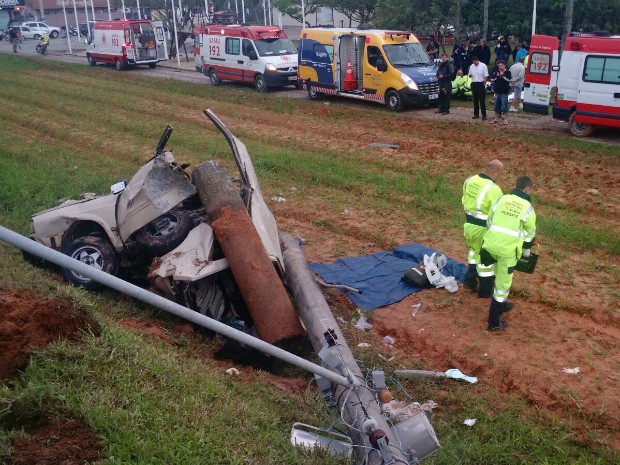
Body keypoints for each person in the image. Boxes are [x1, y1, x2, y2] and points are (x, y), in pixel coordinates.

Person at [480, 176, 536, 331]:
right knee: (502, 286)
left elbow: (489, 221)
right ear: (528, 189)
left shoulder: (502, 199)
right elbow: (530, 232)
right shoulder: (528, 207)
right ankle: (494, 323)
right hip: (508, 252)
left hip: (490, 245)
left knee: (497, 274)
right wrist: (526, 249)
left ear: (516, 186)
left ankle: (501, 305)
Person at [462, 160, 505, 297]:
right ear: (495, 172)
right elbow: (498, 213)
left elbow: (464, 200)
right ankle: (485, 291)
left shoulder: (469, 180)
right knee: (486, 260)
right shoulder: (494, 189)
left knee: (474, 253)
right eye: (500, 174)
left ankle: (469, 282)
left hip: (469, 225)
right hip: (483, 229)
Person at [490, 60, 512, 125]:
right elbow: (492, 79)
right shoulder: (496, 72)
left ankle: (505, 119)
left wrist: (502, 75)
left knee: (504, 106)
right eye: (499, 66)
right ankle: (496, 118)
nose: (500, 67)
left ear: (504, 65)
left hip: (504, 92)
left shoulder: (508, 72)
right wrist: (497, 76)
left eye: (501, 66)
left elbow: (508, 80)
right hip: (497, 92)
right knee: (496, 105)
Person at [468, 55, 489, 120]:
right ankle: (476, 114)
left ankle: (484, 115)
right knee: (475, 100)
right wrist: (470, 75)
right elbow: (470, 75)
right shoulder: (471, 66)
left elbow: (486, 76)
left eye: (475, 62)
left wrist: (484, 84)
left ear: (477, 60)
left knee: (482, 100)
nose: (474, 64)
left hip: (481, 83)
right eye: (473, 63)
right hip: (474, 83)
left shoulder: (483, 66)